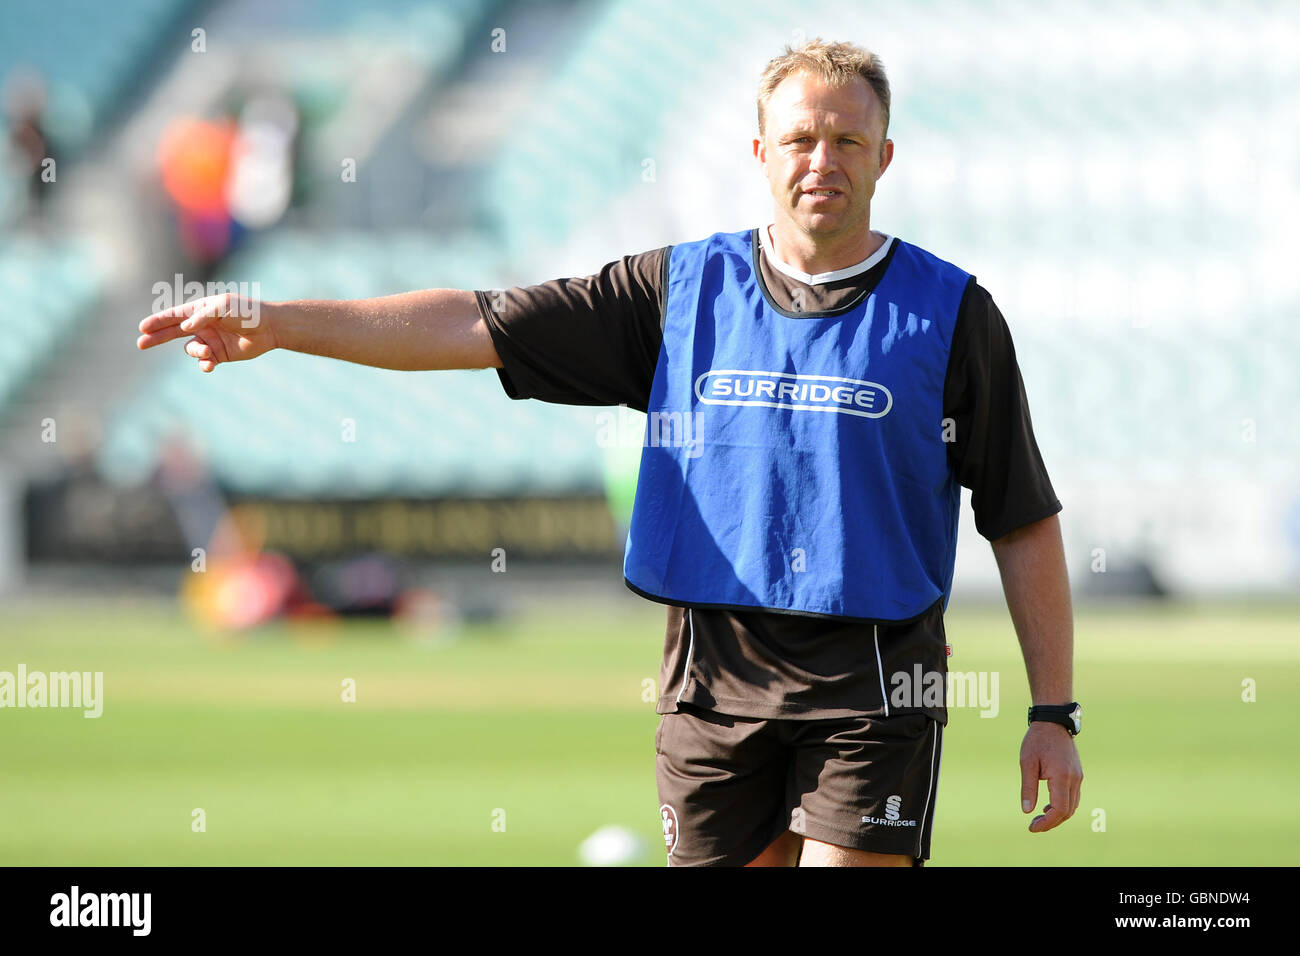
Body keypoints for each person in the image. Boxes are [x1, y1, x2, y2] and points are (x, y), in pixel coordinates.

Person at [137, 38, 1083, 867]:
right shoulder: (677, 292)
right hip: (711, 688)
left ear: (884, 155)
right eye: (799, 138)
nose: (821, 160)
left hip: (874, 687)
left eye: (846, 140)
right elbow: (474, 323)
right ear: (761, 153)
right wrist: (282, 320)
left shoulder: (952, 313)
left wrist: (1053, 714)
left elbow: (1020, 518)